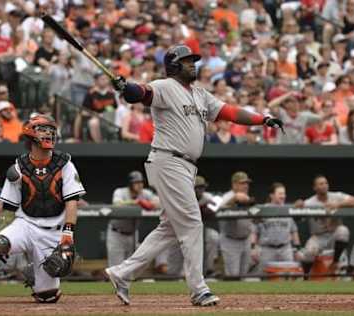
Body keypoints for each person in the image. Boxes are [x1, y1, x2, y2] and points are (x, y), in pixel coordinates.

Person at [105, 44, 283, 307]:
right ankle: (198, 288)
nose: (193, 64)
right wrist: (126, 88)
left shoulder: (200, 94)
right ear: (174, 65)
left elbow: (230, 113)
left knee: (169, 228)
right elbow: (142, 93)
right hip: (169, 160)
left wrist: (262, 119)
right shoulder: (165, 86)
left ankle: (122, 273)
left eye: (194, 61)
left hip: (185, 166)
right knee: (192, 223)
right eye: (187, 61)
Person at [0, 114, 86, 305]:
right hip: (26, 224)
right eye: (43, 129)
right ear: (30, 134)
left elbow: (72, 202)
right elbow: (9, 208)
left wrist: (68, 235)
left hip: (54, 231)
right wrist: (0, 238)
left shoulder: (65, 164)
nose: (49, 134)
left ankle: (35, 276)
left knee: (47, 296)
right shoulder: (18, 167)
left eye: (51, 130)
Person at [297, 175, 354, 276]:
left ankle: (335, 262)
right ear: (315, 188)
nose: (324, 185)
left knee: (343, 230)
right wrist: (298, 207)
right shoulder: (309, 202)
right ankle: (306, 276)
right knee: (308, 253)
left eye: (326, 183)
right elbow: (298, 218)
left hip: (334, 236)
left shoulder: (336, 196)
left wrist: (338, 205)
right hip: (318, 236)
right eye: (321, 184)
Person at [107, 171, 159, 268]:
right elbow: (117, 204)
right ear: (130, 184)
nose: (140, 185)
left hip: (133, 234)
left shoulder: (145, 193)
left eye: (141, 182)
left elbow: (159, 202)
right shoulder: (120, 192)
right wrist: (136, 202)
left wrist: (150, 203)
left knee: (131, 268)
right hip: (117, 234)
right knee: (116, 267)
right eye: (136, 183)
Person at [251, 182, 300, 274]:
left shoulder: (288, 209)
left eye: (284, 193)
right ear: (272, 195)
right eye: (280, 194)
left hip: (285, 249)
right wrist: (253, 248)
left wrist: (297, 249)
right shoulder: (262, 209)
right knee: (265, 277)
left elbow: (294, 231)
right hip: (267, 249)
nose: (283, 196)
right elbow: (254, 230)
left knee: (288, 277)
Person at [219, 171, 255, 277]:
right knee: (233, 275)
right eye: (242, 183)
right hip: (230, 240)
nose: (246, 186)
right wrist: (233, 199)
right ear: (234, 184)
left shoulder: (247, 197)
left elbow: (255, 217)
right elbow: (217, 208)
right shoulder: (227, 196)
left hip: (246, 240)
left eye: (247, 183)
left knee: (244, 274)